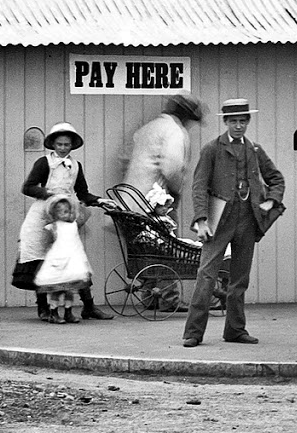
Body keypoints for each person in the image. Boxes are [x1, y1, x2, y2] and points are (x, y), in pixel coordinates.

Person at [182, 98, 285, 348]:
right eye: (233, 121)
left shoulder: (255, 150)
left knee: (240, 278)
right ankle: (193, 332)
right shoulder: (212, 149)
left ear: (248, 122)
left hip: (247, 219)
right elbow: (199, 186)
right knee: (206, 275)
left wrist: (271, 201)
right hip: (219, 221)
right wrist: (202, 219)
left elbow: (276, 179)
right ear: (226, 122)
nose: (238, 126)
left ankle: (235, 330)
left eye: (243, 121)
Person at [14, 122, 116, 323]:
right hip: (42, 217)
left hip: (64, 217)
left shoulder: (76, 166)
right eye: (59, 144)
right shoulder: (44, 163)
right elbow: (28, 187)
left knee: (74, 261)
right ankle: (44, 308)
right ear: (53, 145)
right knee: (42, 263)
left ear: (72, 146)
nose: (62, 148)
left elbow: (82, 193)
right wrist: (48, 193)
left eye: (66, 144)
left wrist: (99, 200)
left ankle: (88, 306)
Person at [123, 94, 203, 201]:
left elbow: (124, 158)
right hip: (154, 200)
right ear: (185, 117)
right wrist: (176, 189)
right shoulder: (174, 131)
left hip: (129, 196)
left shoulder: (148, 127)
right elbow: (171, 169)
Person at [35, 195, 93, 323]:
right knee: (57, 290)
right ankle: (53, 313)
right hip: (58, 261)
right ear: (55, 214)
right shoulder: (52, 227)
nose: (66, 215)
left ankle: (68, 312)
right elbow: (46, 243)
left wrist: (79, 203)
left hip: (72, 262)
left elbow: (84, 214)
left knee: (70, 291)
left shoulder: (73, 225)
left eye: (68, 211)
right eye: (62, 212)